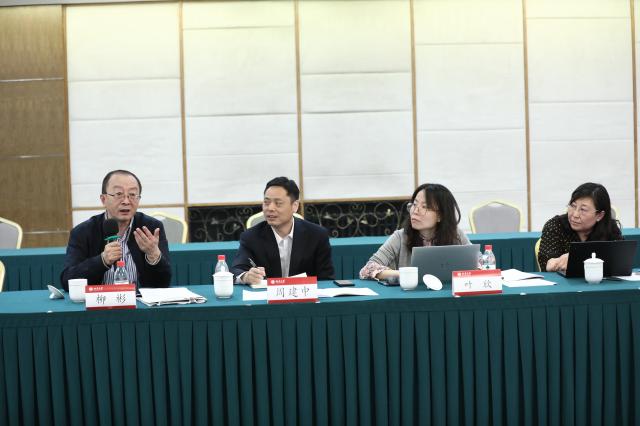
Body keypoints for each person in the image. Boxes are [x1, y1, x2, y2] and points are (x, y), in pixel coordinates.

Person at [60, 170, 171, 290]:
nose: (126, 201)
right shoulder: (83, 232)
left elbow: (163, 283)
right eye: (119, 194)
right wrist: (102, 260)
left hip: (139, 300)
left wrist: (154, 256)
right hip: (99, 301)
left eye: (132, 195)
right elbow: (67, 281)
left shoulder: (151, 228)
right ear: (103, 199)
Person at [231, 176, 334, 284]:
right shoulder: (251, 237)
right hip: (266, 294)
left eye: (278, 203)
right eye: (266, 202)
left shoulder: (317, 235)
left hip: (305, 294)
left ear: (295, 206)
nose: (270, 208)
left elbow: (326, 279)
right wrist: (246, 276)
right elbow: (236, 270)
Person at [359, 183, 470, 282]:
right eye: (414, 204)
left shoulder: (455, 234)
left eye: (424, 207)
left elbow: (476, 263)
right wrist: (405, 274)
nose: (415, 211)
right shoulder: (400, 237)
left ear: (440, 215)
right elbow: (367, 269)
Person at [538, 182, 622, 272]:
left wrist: (576, 257)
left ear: (599, 215)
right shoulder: (555, 225)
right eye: (573, 206)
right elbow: (548, 265)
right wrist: (555, 263)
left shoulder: (609, 228)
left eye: (583, 210)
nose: (575, 215)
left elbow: (621, 260)